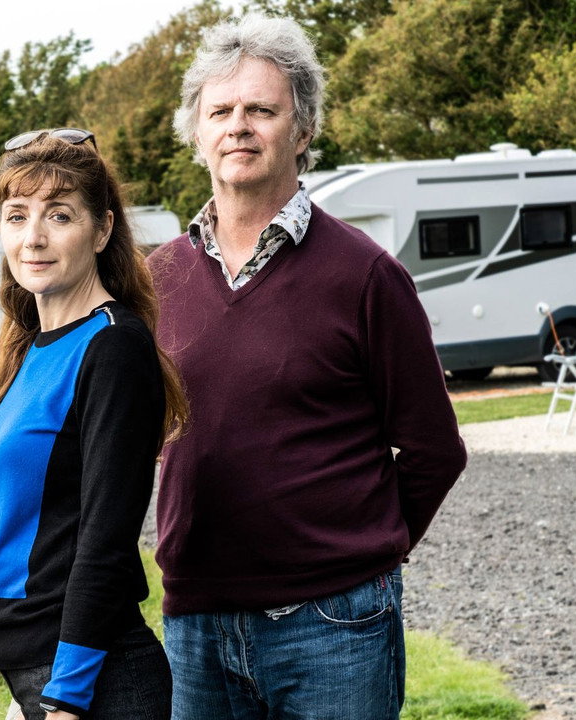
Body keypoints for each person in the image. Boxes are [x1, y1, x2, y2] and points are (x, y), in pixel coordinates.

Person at [147, 15, 468, 720]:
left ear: (303, 130)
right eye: (220, 112)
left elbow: (434, 449)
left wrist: (364, 554)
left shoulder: (365, 275)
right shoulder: (156, 279)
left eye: (261, 110)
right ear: (196, 133)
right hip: (195, 625)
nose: (238, 126)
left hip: (334, 626)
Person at [0, 128, 188, 720]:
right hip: (36, 672)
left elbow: (105, 536)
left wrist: (66, 696)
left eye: (59, 215)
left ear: (102, 229)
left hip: (90, 682)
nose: (33, 237)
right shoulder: (31, 347)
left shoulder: (113, 347)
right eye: (17, 216)